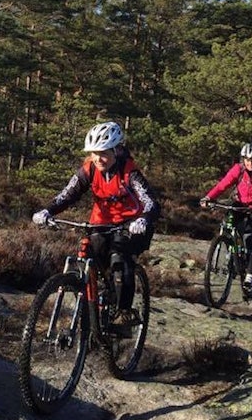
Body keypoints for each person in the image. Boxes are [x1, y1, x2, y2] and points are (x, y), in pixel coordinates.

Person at [32, 121, 158, 326]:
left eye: (104, 153)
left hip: (132, 223)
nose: (99, 158)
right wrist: (48, 210)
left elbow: (150, 202)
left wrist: (143, 219)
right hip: (101, 222)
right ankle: (92, 302)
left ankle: (123, 313)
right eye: (94, 153)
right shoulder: (89, 169)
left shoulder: (129, 172)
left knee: (120, 258)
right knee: (91, 256)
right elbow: (68, 194)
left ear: (116, 150)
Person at [199, 143, 252, 287]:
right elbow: (222, 185)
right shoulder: (238, 170)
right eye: (247, 159)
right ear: (243, 159)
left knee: (249, 235)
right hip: (239, 203)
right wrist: (208, 197)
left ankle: (250, 274)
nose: (250, 163)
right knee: (228, 223)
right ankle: (230, 252)